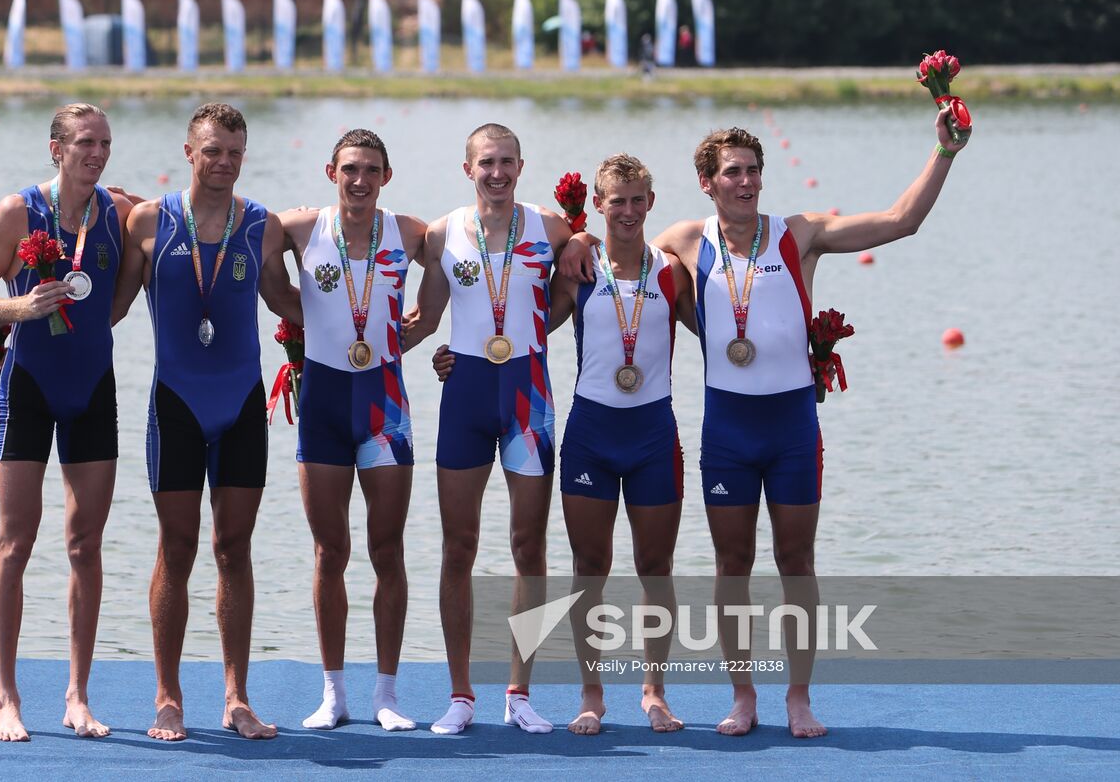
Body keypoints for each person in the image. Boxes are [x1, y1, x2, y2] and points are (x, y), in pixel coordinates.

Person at [562, 114, 971, 737]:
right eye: (733, 172)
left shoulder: (798, 235)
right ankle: (743, 695)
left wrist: (944, 150)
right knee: (732, 564)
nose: (747, 182)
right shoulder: (687, 243)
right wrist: (577, 239)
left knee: (797, 561)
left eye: (754, 171)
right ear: (708, 182)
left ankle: (798, 698)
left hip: (790, 428)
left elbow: (900, 221)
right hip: (727, 429)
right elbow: (623, 244)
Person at [112, 102, 298, 742]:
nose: (223, 163)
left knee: (234, 549)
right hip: (177, 405)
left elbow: (290, 302)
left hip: (242, 404)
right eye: (212, 151)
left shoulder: (263, 227)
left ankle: (237, 697)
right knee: (179, 547)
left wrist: (377, 317)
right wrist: (39, 301)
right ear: (188, 153)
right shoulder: (147, 221)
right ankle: (168, 696)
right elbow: (107, 310)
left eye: (235, 153)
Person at [0, 102, 133, 743]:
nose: (98, 153)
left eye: (105, 142)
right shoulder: (18, 211)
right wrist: (21, 305)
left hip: (92, 387)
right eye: (86, 142)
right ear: (56, 149)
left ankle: (78, 695)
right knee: (15, 542)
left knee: (85, 545)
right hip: (25, 385)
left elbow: (177, 225)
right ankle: (6, 697)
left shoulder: (118, 211)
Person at [405, 122, 573, 735]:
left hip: (528, 397)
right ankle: (459, 695)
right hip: (466, 397)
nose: (496, 173)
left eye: (506, 162)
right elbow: (423, 319)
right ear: (467, 168)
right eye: (485, 163)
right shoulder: (445, 233)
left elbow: (572, 295)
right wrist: (347, 335)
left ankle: (520, 693)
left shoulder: (552, 230)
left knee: (530, 548)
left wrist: (528, 342)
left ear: (521, 166)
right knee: (458, 546)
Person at [276, 129, 428, 731]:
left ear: (386, 176)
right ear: (330, 172)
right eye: (348, 169)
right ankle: (333, 693)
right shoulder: (297, 229)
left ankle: (386, 695)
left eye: (370, 170)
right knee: (329, 551)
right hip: (322, 403)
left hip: (385, 405)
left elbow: (463, 269)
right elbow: (254, 262)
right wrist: (303, 313)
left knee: (386, 550)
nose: (359, 180)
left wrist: (412, 336)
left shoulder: (412, 232)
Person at [553, 154, 694, 736]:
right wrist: (462, 354)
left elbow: (726, 333)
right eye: (618, 201)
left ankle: (654, 691)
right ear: (600, 205)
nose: (629, 211)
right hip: (590, 433)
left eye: (638, 200)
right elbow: (525, 333)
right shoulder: (578, 269)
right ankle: (592, 695)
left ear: (650, 203)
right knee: (590, 568)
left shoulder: (672, 272)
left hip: (653, 433)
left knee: (655, 568)